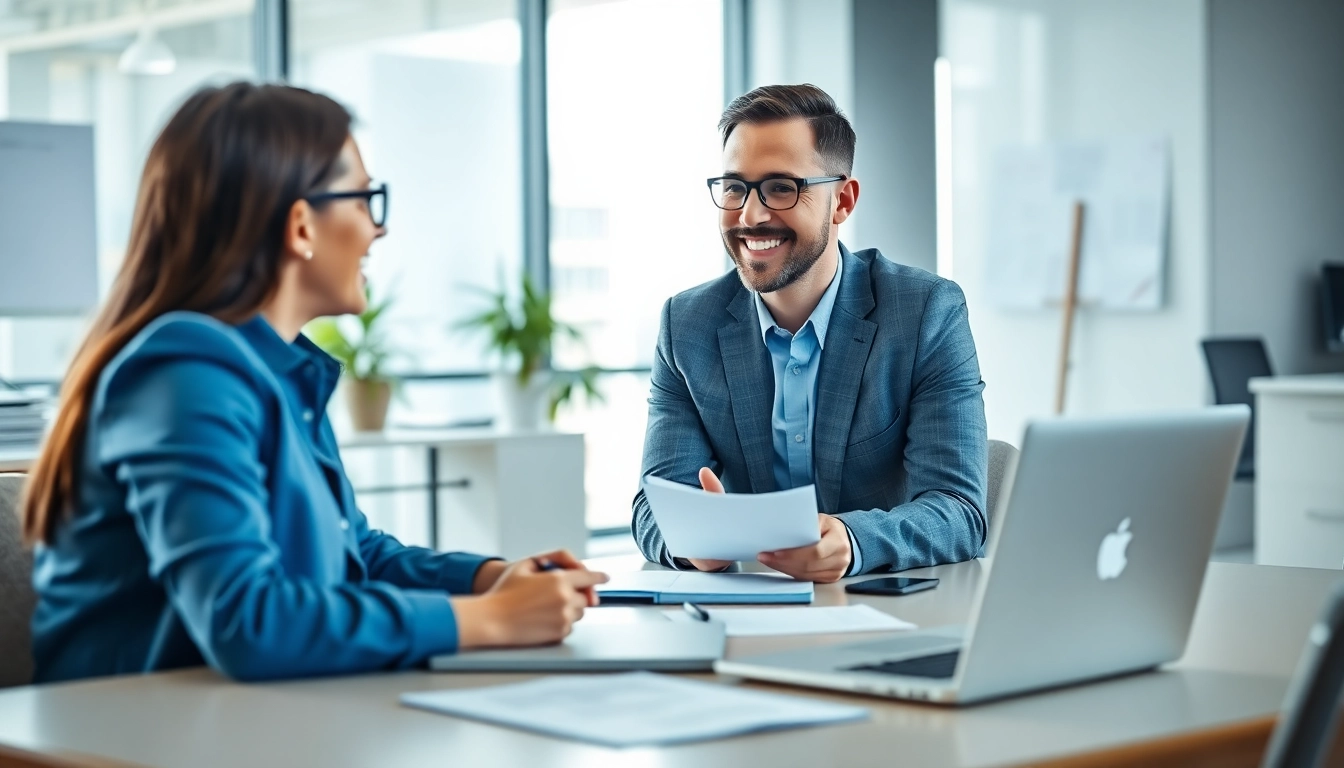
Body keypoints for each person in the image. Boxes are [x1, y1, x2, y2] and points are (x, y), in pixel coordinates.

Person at [21, 82, 607, 684]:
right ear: (301, 226)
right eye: (364, 200)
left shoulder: (280, 370)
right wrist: (488, 620)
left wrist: (489, 579)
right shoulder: (186, 371)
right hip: (128, 723)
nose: (377, 230)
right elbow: (247, 620)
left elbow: (353, 554)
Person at [632, 84, 987, 582]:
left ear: (842, 200)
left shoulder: (926, 312)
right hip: (747, 604)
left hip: (882, 600)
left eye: (781, 187)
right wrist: (693, 543)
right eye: (734, 188)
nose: (751, 215)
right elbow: (654, 505)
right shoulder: (687, 324)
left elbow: (959, 511)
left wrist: (854, 541)